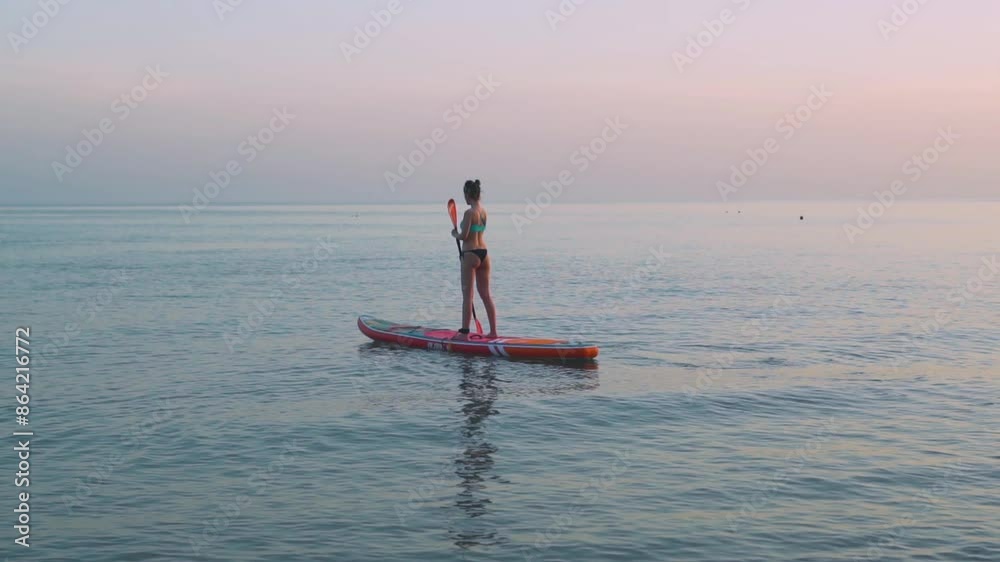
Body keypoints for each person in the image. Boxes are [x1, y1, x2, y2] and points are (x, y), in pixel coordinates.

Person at [451, 179, 498, 339]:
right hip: (484, 253)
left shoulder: (469, 213)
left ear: (467, 194)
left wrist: (455, 234)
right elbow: (478, 231)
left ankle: (464, 333)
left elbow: (464, 236)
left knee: (467, 295)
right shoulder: (484, 211)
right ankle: (493, 332)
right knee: (486, 294)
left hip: (470, 254)